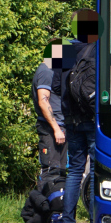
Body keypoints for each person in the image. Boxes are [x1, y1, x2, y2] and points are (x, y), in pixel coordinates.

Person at [60, 8, 99, 223]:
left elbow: (55, 85)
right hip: (92, 116)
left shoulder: (60, 47)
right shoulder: (98, 48)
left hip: (71, 118)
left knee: (74, 170)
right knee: (94, 169)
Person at [32, 38, 66, 186]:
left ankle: (57, 206)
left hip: (58, 126)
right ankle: (46, 207)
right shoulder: (46, 70)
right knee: (51, 171)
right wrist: (57, 129)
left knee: (60, 171)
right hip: (51, 129)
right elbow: (43, 101)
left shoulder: (54, 70)